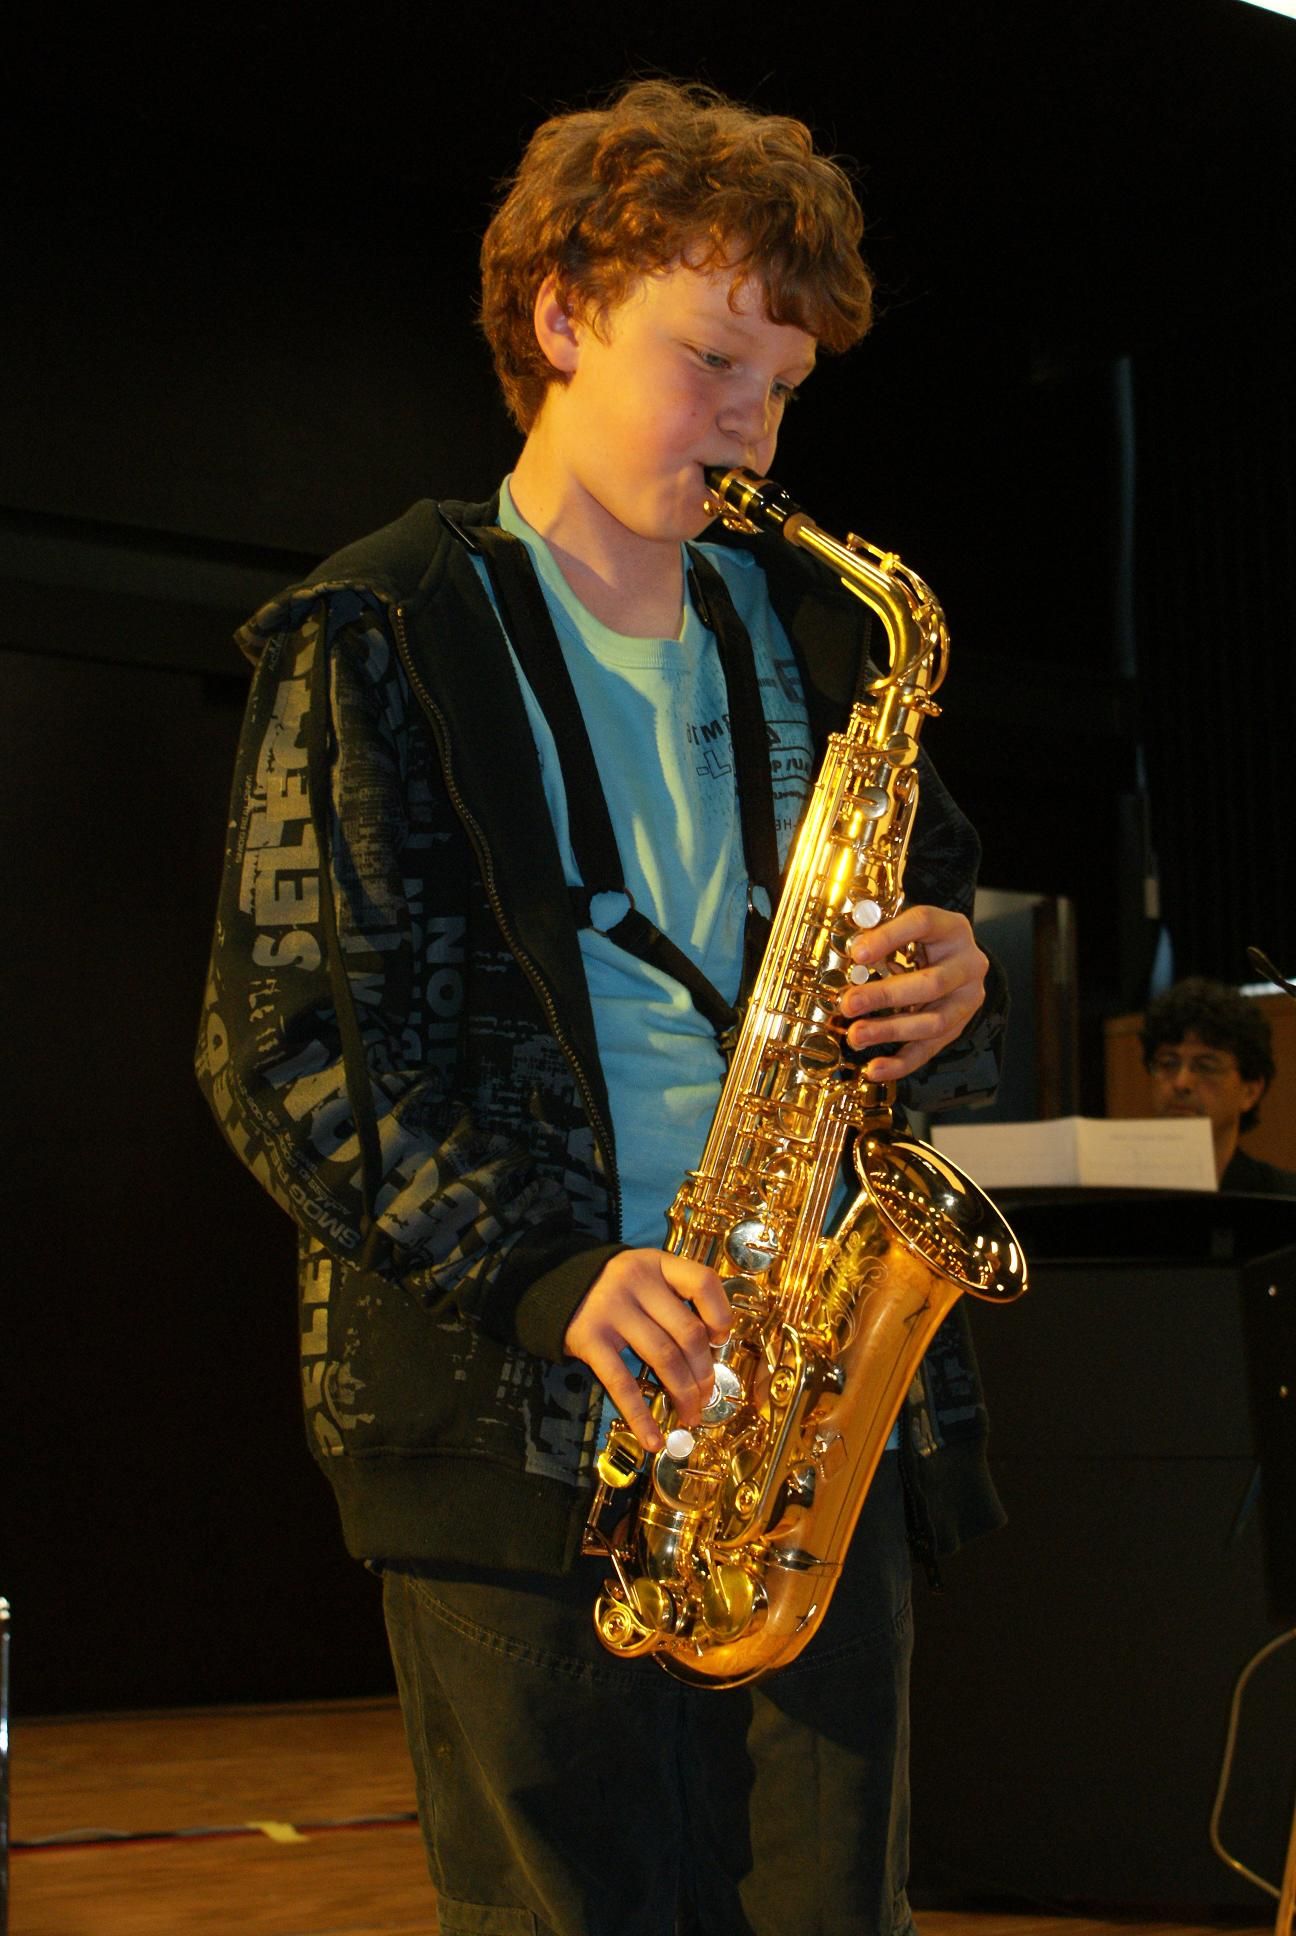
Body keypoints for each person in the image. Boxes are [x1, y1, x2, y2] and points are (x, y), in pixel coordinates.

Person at [196, 79, 1009, 1936]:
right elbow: (283, 1053)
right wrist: (547, 1271)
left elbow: (931, 919)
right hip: (526, 1412)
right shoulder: (379, 631)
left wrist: (951, 971)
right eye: (713, 360)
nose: (752, 426)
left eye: (783, 387)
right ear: (563, 317)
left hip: (808, 1422)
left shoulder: (815, 634)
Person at [1141, 975, 1296, 1192]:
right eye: (1168, 1063)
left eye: (1205, 1067)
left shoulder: (1282, 1199)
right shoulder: (1116, 1194)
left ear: (1250, 1091)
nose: (1181, 1083)